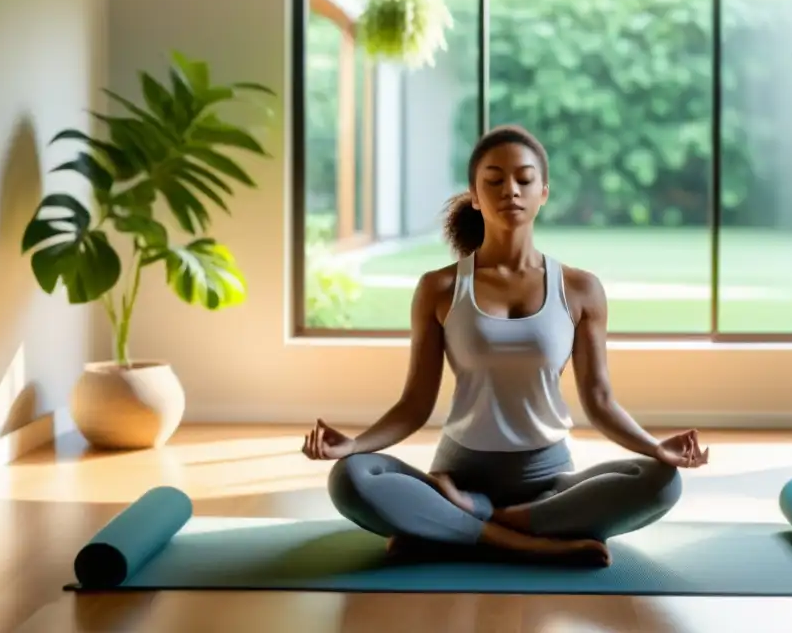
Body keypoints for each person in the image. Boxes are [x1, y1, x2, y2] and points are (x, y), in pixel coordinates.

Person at [302, 124, 710, 566]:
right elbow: (415, 404)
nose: (510, 190)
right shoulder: (440, 287)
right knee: (352, 477)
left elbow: (600, 400)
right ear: (475, 196)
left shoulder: (579, 288)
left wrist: (655, 448)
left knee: (661, 481)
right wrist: (355, 445)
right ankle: (528, 543)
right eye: (493, 181)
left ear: (544, 193)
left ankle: (460, 523)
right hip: (457, 472)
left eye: (524, 179)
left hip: (546, 484)